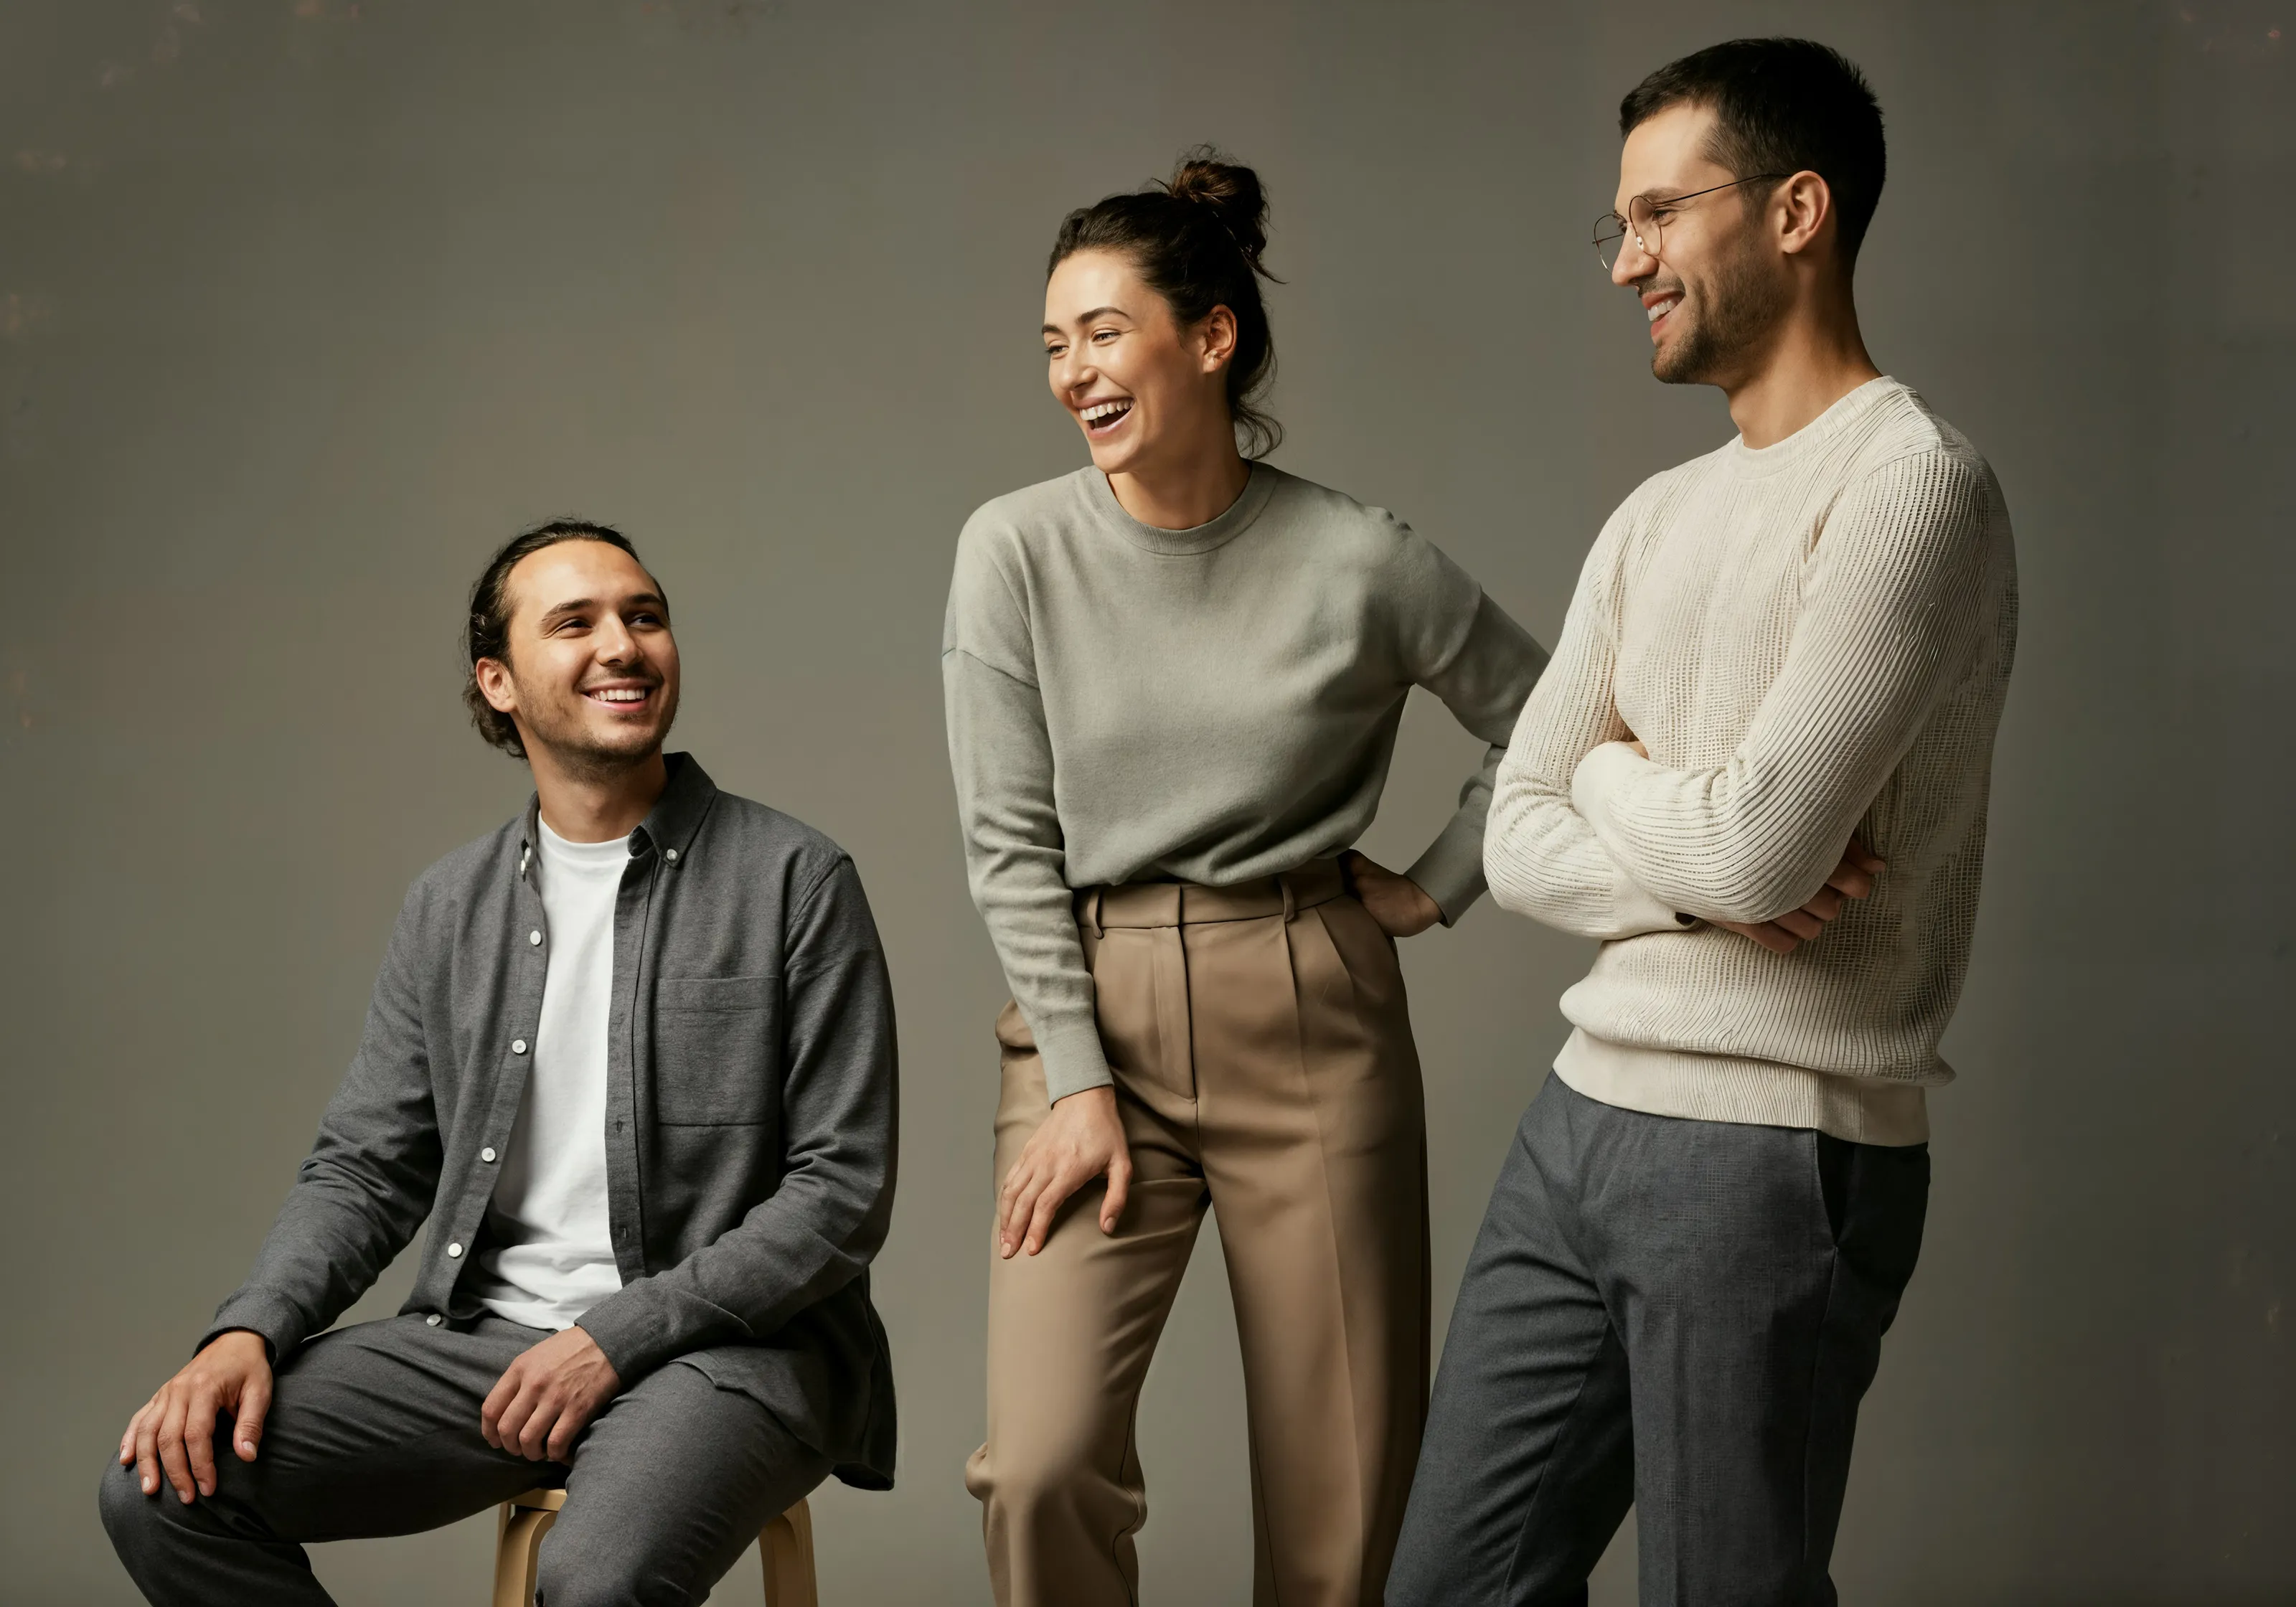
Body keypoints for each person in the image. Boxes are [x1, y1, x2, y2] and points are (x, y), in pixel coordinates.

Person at [1389, 38, 2019, 1606]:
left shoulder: (1908, 487)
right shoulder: (1654, 515)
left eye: (1659, 214)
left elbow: (1754, 852)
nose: (1625, 261)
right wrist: (1673, 849)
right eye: (1616, 224)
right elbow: (1522, 830)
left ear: (1795, 210)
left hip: (1773, 1145)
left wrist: (1605, 776)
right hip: (1580, 1112)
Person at [943, 150, 1549, 1607]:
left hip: (1312, 1010)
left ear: (1208, 337)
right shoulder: (1012, 550)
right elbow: (1008, 842)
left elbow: (1550, 713)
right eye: (1052, 343)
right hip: (1090, 1023)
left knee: (1344, 1499)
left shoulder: (1359, 559)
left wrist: (1436, 882)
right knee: (1038, 1466)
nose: (1072, 371)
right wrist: (1080, 1079)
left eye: (1103, 332)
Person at [98, 521, 899, 1607]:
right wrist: (250, 1327)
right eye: (576, 623)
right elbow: (368, 1167)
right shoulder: (450, 908)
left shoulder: (795, 878)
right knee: (162, 1487)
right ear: (501, 681)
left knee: (594, 1581)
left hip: (732, 1353)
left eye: (645, 616)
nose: (624, 645)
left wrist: (615, 1337)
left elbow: (839, 1195)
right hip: (483, 1348)